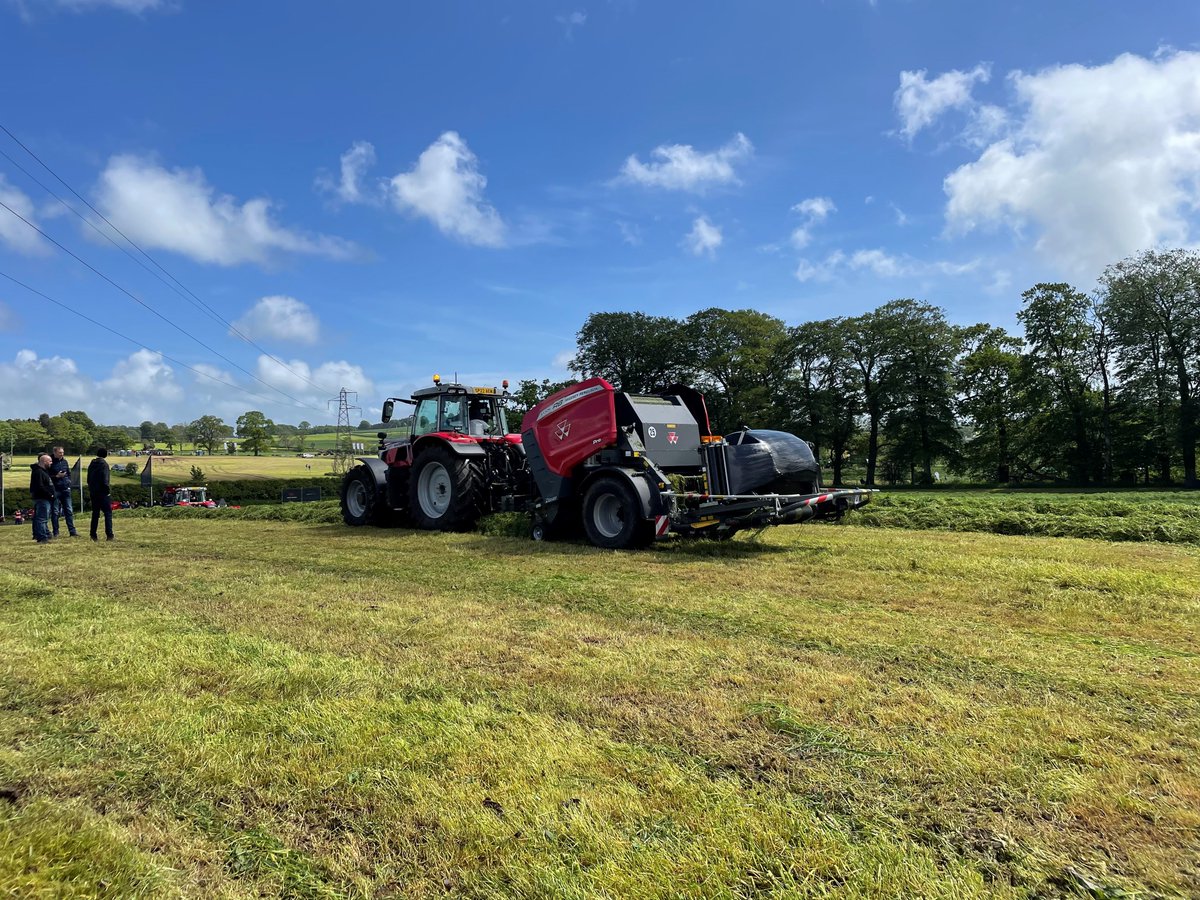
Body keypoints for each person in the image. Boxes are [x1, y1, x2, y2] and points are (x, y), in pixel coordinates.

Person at [49, 445, 79, 538]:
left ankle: (72, 531)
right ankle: (56, 532)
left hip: (65, 489)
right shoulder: (50, 462)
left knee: (69, 511)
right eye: (60, 452)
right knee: (55, 512)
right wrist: (56, 477)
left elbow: (69, 473)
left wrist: (68, 481)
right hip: (55, 489)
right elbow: (47, 475)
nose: (62, 454)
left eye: (62, 452)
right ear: (55, 453)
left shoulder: (65, 461)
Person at [87, 447, 115, 542]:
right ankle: (109, 534)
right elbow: (105, 480)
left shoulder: (92, 463)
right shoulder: (104, 464)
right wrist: (107, 491)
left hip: (93, 492)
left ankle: (93, 534)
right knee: (108, 513)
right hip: (102, 493)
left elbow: (88, 479)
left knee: (95, 514)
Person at [29, 453, 55, 544]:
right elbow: (40, 486)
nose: (51, 463)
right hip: (42, 498)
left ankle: (44, 535)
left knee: (40, 518)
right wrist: (49, 495)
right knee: (42, 519)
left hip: (44, 498)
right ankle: (42, 537)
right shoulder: (38, 472)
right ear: (44, 461)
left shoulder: (43, 471)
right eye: (50, 461)